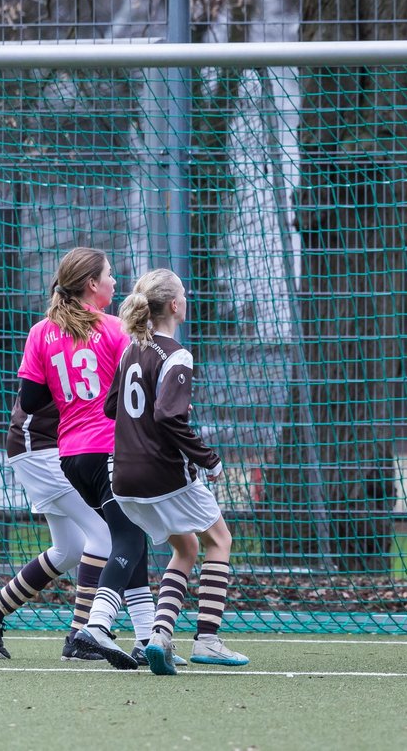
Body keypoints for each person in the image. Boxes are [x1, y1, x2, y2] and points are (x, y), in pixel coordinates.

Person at [12, 246, 155, 670]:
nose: (115, 281)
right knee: (127, 539)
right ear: (92, 284)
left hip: (72, 456)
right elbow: (135, 393)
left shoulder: (41, 332)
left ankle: (147, 638)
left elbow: (33, 400)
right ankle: (94, 627)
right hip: (110, 448)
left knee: (133, 536)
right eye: (109, 275)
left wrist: (68, 384)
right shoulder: (114, 329)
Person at [105, 268, 247, 675]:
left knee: (185, 548)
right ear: (173, 305)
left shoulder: (132, 349)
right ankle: (207, 639)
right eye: (183, 294)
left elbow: (110, 408)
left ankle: (159, 636)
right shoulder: (177, 354)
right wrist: (209, 459)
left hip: (125, 479)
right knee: (220, 539)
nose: (186, 300)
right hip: (162, 473)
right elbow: (169, 416)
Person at [0, 398, 113, 662]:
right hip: (42, 449)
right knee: (102, 535)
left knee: (69, 550)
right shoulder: (59, 354)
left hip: (47, 446)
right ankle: (80, 639)